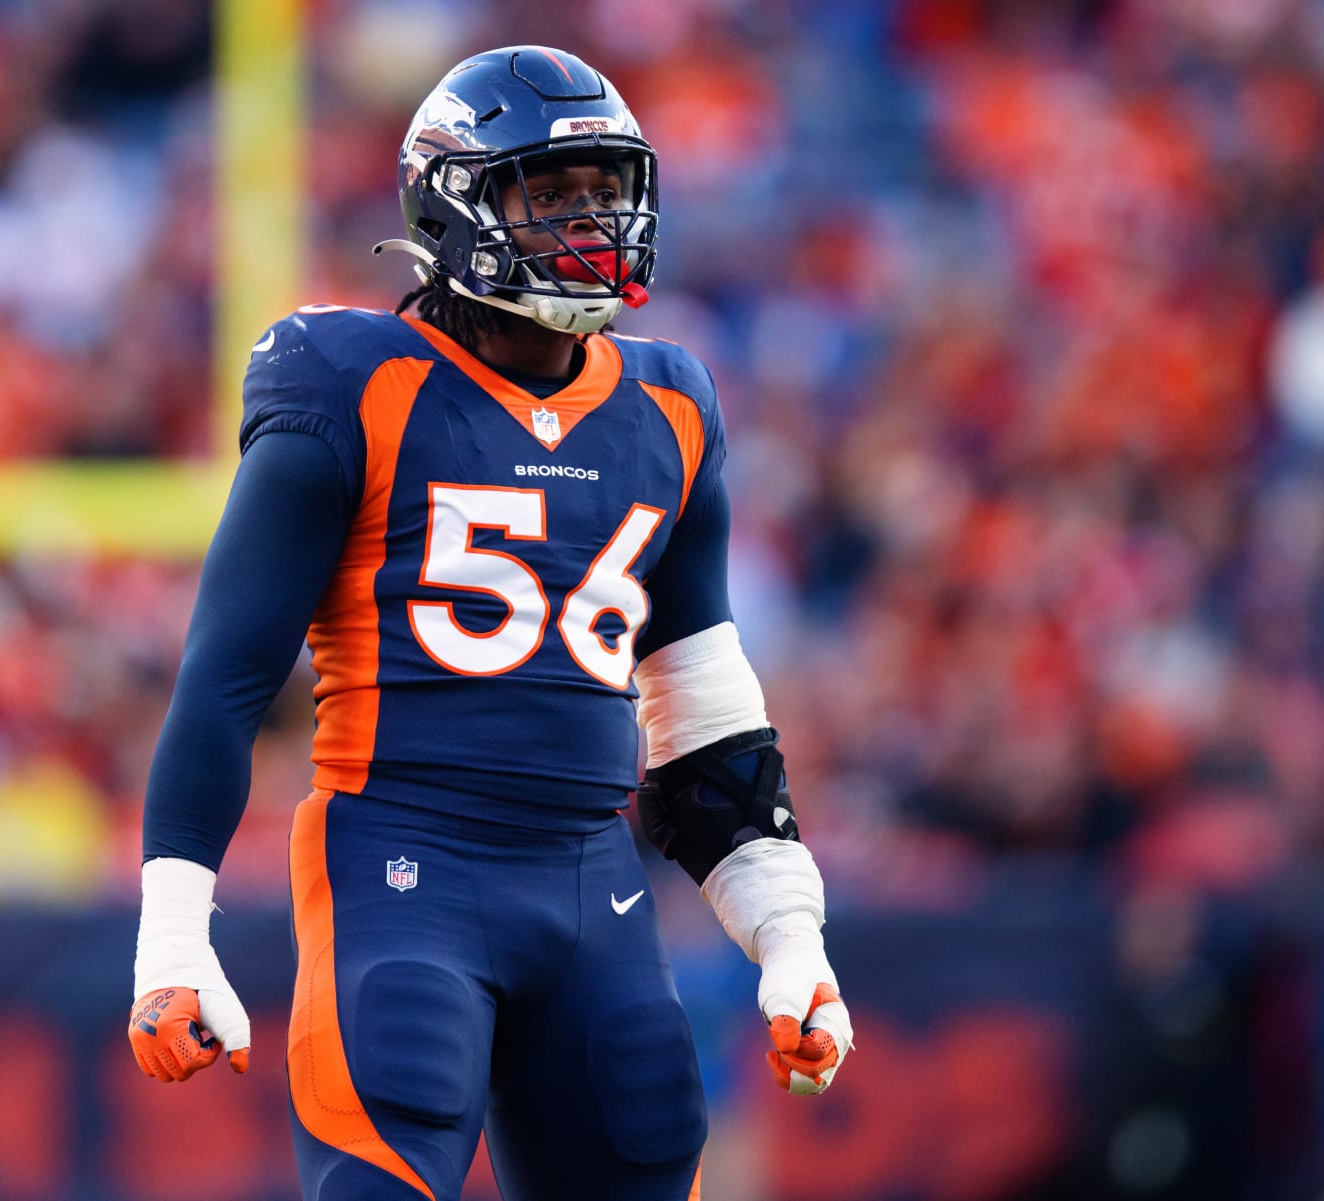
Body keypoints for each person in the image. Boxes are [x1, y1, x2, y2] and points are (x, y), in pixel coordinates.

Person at [127, 45, 851, 1201]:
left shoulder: (668, 404)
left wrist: (789, 935)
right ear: (452, 202)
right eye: (550, 193)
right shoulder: (349, 379)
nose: (590, 221)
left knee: (647, 1156)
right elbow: (222, 679)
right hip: (401, 872)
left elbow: (707, 718)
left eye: (605, 190)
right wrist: (174, 929)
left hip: (592, 889)